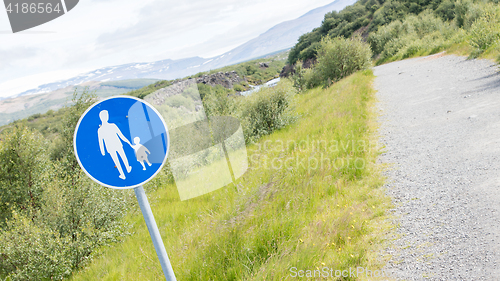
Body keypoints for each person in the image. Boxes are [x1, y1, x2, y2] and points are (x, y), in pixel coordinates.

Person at [98, 110, 132, 179]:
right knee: (123, 156)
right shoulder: (112, 126)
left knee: (117, 161)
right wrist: (128, 142)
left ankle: (122, 174)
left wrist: (103, 152)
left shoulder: (100, 130)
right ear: (106, 117)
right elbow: (121, 136)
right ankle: (128, 168)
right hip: (117, 144)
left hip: (110, 147)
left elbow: (101, 142)